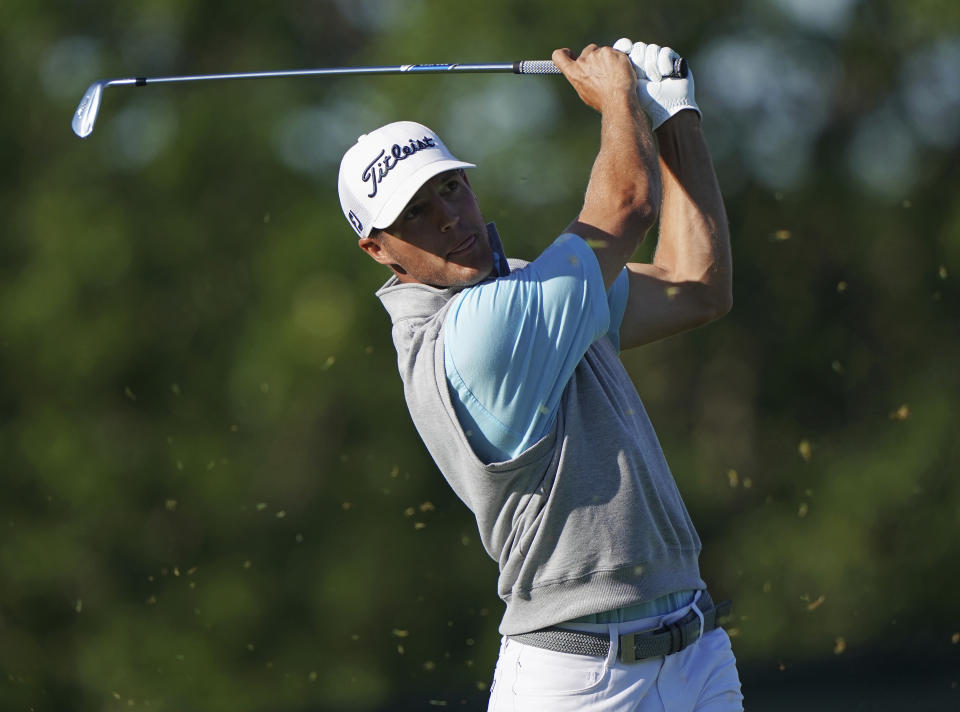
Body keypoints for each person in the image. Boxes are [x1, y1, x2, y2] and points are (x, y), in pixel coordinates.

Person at [337, 38, 742, 711]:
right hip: (581, 679)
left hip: (695, 650)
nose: (448, 217)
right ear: (378, 249)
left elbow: (697, 285)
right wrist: (619, 95)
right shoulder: (474, 336)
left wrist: (676, 117)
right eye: (416, 213)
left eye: (450, 187)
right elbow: (628, 206)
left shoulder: (527, 288)